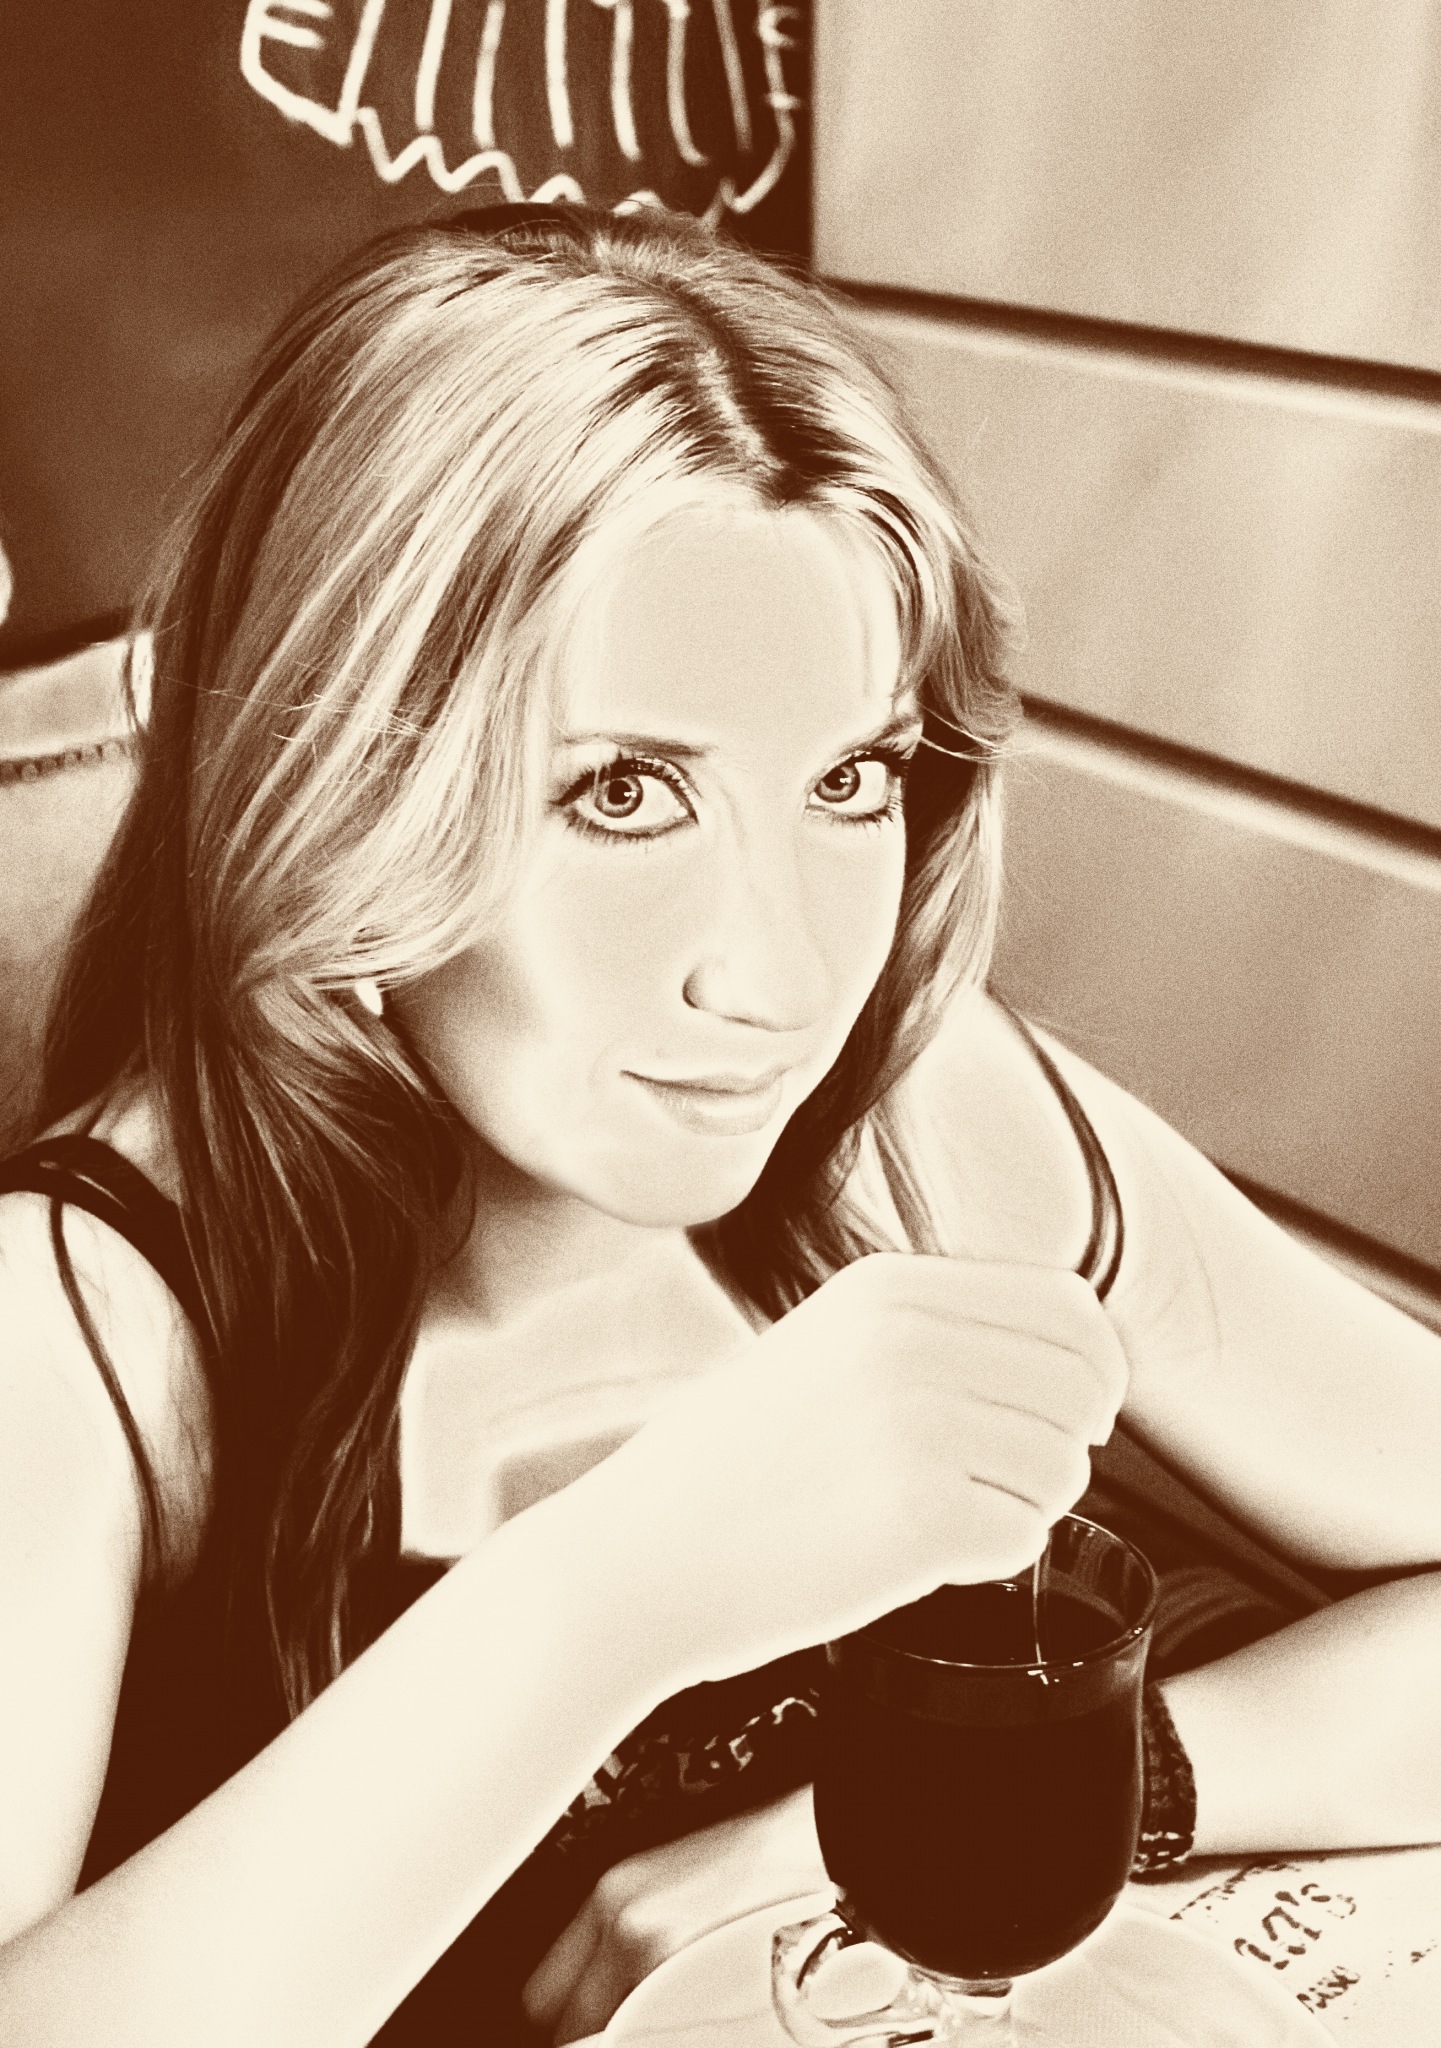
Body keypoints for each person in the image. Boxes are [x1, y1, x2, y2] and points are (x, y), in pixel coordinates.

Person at [0, 204, 1437, 2048]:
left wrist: (978, 1804)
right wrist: (614, 1593)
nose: (780, 976)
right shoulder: (84, 1322)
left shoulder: (920, 1116)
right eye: (622, 793)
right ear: (340, 784)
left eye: (850, 779)